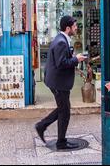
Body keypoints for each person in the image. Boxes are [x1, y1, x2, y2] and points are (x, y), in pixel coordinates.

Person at [34, 16, 87, 150]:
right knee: (65, 110)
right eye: (74, 26)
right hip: (58, 82)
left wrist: (73, 57)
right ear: (68, 28)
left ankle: (43, 127)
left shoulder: (62, 39)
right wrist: (76, 59)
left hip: (58, 81)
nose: (76, 28)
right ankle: (59, 141)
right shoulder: (61, 42)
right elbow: (61, 63)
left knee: (64, 109)